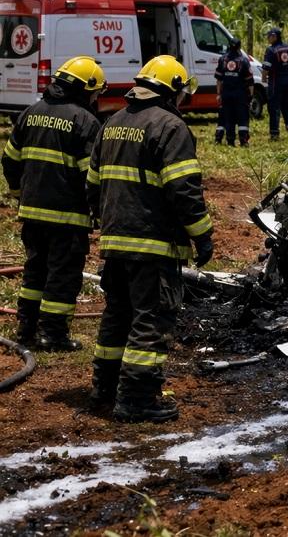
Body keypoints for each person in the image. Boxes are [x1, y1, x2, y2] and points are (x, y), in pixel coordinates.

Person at [87, 55, 213, 423]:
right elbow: (184, 190)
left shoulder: (112, 123)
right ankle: (137, 398)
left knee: (118, 314)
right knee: (151, 320)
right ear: (172, 90)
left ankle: (105, 387)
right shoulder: (170, 127)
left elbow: (92, 184)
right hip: (153, 243)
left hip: (115, 240)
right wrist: (202, 235)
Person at [1, 57, 104, 351]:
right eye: (95, 93)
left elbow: (9, 160)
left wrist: (19, 193)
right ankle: (53, 334)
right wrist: (97, 209)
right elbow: (91, 176)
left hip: (32, 213)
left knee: (35, 271)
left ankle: (26, 329)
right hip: (68, 217)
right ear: (85, 89)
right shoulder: (85, 122)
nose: (95, 99)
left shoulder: (30, 113)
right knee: (63, 275)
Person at [214, 38, 253, 147]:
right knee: (242, 117)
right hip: (240, 94)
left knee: (228, 117)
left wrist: (218, 94)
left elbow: (219, 79)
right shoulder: (244, 61)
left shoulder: (223, 59)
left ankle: (230, 140)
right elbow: (250, 81)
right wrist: (251, 95)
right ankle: (243, 140)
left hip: (226, 94)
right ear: (239, 47)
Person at [262, 27, 288, 141]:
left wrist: (263, 79)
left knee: (274, 107)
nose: (268, 38)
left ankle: (274, 134)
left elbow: (266, 68)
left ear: (274, 36)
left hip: (276, 82)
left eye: (269, 36)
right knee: (287, 105)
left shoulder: (271, 50)